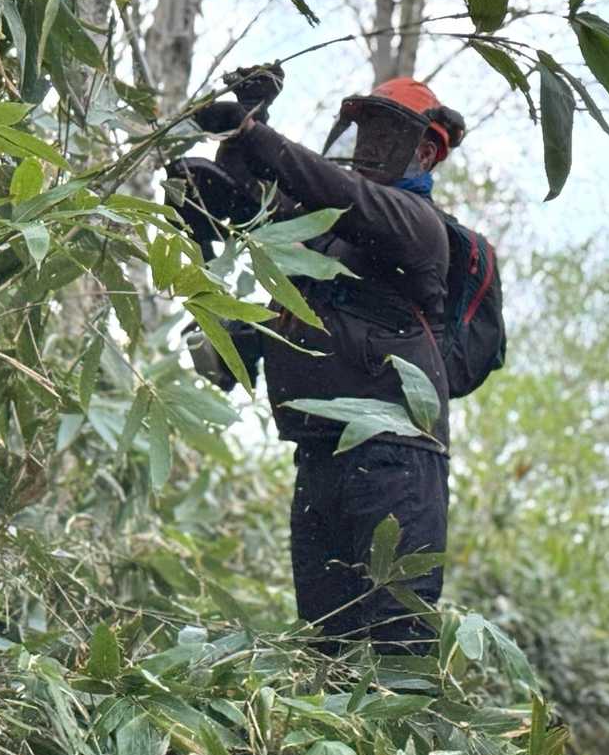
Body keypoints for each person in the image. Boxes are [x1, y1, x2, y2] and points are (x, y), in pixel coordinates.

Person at [167, 69, 467, 655]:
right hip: (320, 456)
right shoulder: (322, 241)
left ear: (426, 152)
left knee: (396, 642)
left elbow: (342, 195)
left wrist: (256, 135)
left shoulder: (416, 225)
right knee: (326, 646)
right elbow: (259, 204)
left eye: (387, 133)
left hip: (395, 457)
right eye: (365, 130)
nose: (370, 145)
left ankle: (404, 713)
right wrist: (248, 122)